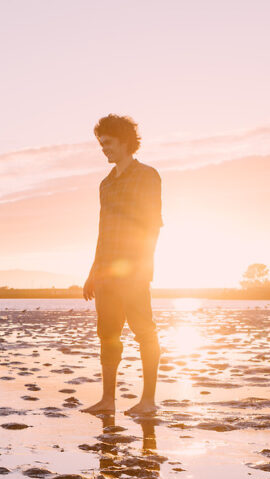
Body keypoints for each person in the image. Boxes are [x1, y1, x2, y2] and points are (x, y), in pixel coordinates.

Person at [82, 114, 162, 416]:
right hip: (106, 275)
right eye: (101, 144)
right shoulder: (105, 184)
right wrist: (92, 273)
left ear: (125, 141)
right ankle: (107, 400)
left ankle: (148, 401)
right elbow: (103, 232)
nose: (104, 149)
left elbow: (153, 225)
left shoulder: (148, 176)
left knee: (144, 332)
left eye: (108, 143)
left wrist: (142, 268)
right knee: (108, 334)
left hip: (135, 271)